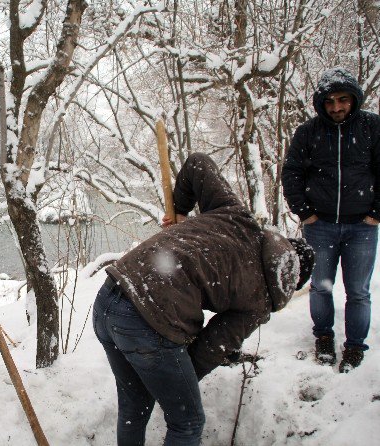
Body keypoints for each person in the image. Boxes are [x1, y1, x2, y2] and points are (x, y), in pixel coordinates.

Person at [94, 153, 313, 446]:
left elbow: (198, 163)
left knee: (135, 405)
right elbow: (206, 352)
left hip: (109, 296)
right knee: (187, 422)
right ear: (293, 283)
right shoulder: (260, 301)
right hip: (148, 319)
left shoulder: (236, 215)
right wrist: (173, 383)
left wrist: (182, 211)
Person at [282, 67, 380, 372]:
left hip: (362, 226)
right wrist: (304, 212)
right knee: (322, 287)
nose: (336, 107)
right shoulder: (308, 133)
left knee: (358, 292)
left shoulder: (372, 127)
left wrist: (376, 212)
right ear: (321, 103)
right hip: (320, 225)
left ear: (353, 99)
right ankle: (323, 337)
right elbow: (292, 173)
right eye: (330, 102)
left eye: (342, 100)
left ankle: (355, 346)